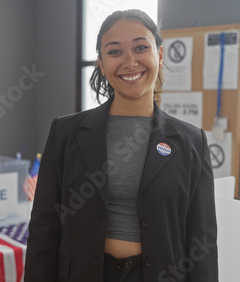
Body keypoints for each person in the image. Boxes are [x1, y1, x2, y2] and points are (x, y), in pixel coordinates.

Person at [25, 9, 218, 282]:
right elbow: (44, 228)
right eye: (115, 52)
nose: (130, 61)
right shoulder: (65, 132)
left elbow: (203, 240)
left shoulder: (191, 142)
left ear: (160, 55)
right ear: (102, 64)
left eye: (140, 47)